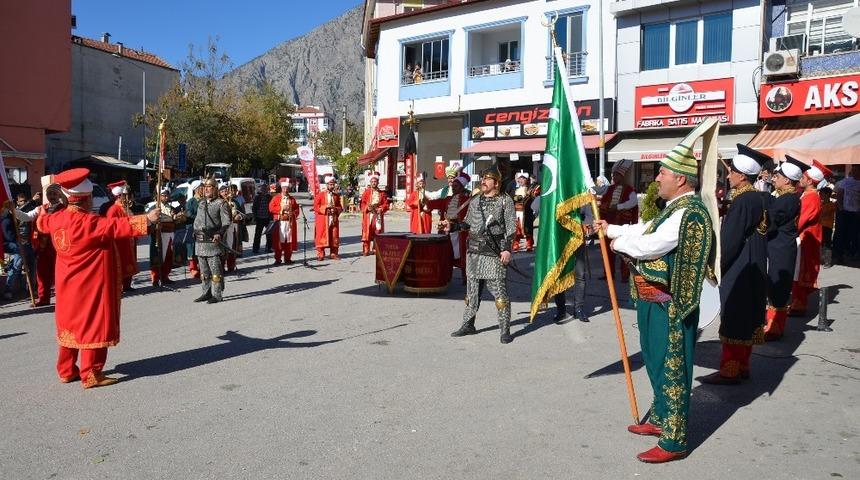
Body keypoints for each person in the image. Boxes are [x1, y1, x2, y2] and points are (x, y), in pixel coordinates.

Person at [594, 129, 716, 463]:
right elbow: (645, 230)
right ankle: (660, 418)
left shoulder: (689, 211)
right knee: (655, 362)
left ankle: (675, 440)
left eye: (662, 172)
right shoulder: (672, 208)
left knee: (673, 369)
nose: (656, 177)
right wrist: (612, 229)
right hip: (653, 300)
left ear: (680, 179)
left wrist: (616, 243)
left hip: (672, 305)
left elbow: (651, 246)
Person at [35, 168, 158, 388]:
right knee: (93, 324)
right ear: (86, 198)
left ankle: (65, 370)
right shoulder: (88, 222)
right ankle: (91, 374)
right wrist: (147, 219)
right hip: (90, 284)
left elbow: (41, 222)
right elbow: (117, 227)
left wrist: (47, 205)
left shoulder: (56, 219)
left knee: (69, 327)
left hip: (66, 284)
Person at [699, 144, 770, 385]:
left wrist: (714, 266)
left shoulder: (743, 201)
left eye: (731, 173)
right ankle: (742, 365)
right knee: (746, 314)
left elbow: (730, 240)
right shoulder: (755, 197)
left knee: (735, 313)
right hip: (754, 263)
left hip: (740, 265)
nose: (728, 176)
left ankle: (730, 369)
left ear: (741, 175)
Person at [443, 164, 517, 344]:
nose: (483, 181)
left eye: (487, 178)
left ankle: (504, 329)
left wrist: (507, 249)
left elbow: (511, 228)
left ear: (496, 182)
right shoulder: (475, 200)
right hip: (474, 251)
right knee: (471, 293)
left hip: (493, 252)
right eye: (482, 178)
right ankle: (468, 324)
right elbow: (467, 223)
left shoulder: (505, 201)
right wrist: (452, 226)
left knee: (500, 295)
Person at [762, 156, 804, 340]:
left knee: (778, 287)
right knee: (775, 285)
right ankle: (772, 324)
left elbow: (772, 219)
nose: (774, 178)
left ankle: (775, 327)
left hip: (781, 248)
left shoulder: (788, 199)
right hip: (780, 246)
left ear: (787, 180)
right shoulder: (786, 197)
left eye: (778, 175)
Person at [790, 160, 832, 316]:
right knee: (798, 272)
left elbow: (801, 220)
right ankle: (797, 302)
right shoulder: (809, 195)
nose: (801, 177)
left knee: (800, 272)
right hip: (806, 237)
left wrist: (790, 230)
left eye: (804, 175)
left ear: (809, 180)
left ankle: (799, 304)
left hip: (806, 238)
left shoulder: (810, 197)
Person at [428, 169, 472, 281]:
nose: (453, 187)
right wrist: (424, 199)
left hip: (460, 231)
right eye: (453, 185)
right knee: (446, 254)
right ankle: (445, 275)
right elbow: (434, 203)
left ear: (462, 186)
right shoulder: (447, 199)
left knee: (463, 254)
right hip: (447, 230)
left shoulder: (468, 200)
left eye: (456, 185)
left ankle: (465, 277)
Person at [553, 204, 594, 323]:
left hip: (577, 237)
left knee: (580, 274)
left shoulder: (579, 190)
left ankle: (579, 309)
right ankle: (561, 309)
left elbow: (588, 215)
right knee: (559, 275)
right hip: (560, 237)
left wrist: (585, 225)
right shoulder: (557, 192)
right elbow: (536, 205)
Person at [193, 178, 231, 304]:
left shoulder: (221, 203)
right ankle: (206, 292)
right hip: (200, 242)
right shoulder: (202, 203)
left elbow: (226, 222)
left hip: (212, 242)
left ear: (215, 189)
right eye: (205, 187)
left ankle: (217, 294)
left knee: (216, 271)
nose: (206, 189)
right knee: (204, 273)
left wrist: (219, 233)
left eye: (210, 187)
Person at [599, 159, 638, 282]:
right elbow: (604, 201)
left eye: (616, 175)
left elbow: (633, 202)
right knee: (607, 250)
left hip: (622, 223)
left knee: (622, 250)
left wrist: (618, 207)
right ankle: (608, 274)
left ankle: (625, 275)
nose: (614, 177)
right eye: (613, 175)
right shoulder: (609, 189)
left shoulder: (629, 190)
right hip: (608, 222)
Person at [105, 181, 139, 293]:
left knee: (130, 261)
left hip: (129, 240)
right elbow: (111, 227)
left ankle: (127, 284)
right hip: (120, 242)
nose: (128, 198)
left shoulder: (126, 208)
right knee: (120, 263)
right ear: (119, 196)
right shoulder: (113, 209)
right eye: (125, 196)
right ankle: (118, 286)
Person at [145, 187, 176, 287]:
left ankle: (165, 276)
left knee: (168, 256)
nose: (166, 197)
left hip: (170, 233)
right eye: (164, 195)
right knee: (157, 256)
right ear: (159, 196)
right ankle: (155, 278)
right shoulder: (153, 207)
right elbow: (149, 221)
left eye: (167, 195)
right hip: (159, 234)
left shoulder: (170, 207)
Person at [268, 178, 299, 265]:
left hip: (289, 223)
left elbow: (297, 210)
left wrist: (292, 214)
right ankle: (277, 259)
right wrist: (281, 209)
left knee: (288, 240)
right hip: (280, 223)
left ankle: (287, 258)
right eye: (284, 188)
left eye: (287, 188)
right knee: (279, 241)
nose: (286, 190)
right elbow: (271, 208)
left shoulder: (292, 199)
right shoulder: (276, 198)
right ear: (281, 189)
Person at [833, 165, 860, 263]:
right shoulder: (846, 181)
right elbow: (840, 194)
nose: (854, 171)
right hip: (844, 212)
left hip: (856, 213)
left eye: (856, 170)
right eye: (853, 169)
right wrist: (841, 208)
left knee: (854, 234)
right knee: (841, 233)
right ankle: (839, 254)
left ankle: (852, 253)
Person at [360, 171, 390, 256]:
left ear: (378, 182)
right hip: (369, 215)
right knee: (367, 231)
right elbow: (362, 203)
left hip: (378, 215)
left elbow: (386, 204)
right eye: (372, 182)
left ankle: (375, 248)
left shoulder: (382, 193)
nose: (374, 183)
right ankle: (366, 249)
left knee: (378, 231)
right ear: (370, 183)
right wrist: (367, 207)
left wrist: (381, 209)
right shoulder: (366, 192)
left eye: (375, 182)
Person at [314, 175, 342, 260]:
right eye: (330, 184)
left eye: (333, 184)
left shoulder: (336, 196)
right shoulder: (320, 195)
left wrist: (336, 210)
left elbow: (340, 207)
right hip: (323, 219)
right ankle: (320, 254)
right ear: (327, 185)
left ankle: (334, 253)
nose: (332, 186)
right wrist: (326, 208)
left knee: (334, 235)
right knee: (322, 235)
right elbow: (316, 207)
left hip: (333, 218)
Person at [510, 170, 538, 251]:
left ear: (527, 180)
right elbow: (511, 198)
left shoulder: (530, 189)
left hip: (526, 212)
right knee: (517, 228)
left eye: (523, 179)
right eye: (520, 179)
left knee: (527, 228)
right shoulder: (514, 189)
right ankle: (516, 244)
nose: (521, 180)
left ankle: (529, 244)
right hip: (516, 211)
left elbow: (534, 197)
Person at [220, 184, 244, 272]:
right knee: (223, 247)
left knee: (232, 246)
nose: (225, 193)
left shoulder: (234, 201)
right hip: (223, 228)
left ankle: (231, 266)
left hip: (233, 227)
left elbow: (241, 213)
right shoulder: (219, 202)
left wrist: (239, 216)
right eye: (222, 191)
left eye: (226, 191)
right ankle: (221, 267)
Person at [185, 181, 203, 278]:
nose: (203, 189)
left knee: (202, 248)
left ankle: (202, 268)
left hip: (203, 229)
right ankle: (193, 268)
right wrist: (200, 217)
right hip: (192, 227)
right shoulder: (191, 202)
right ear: (196, 189)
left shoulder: (205, 201)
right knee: (192, 248)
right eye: (201, 187)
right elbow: (189, 214)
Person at [251, 183, 273, 254]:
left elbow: (271, 207)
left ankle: (269, 248)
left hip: (267, 218)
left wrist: (271, 217)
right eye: (263, 189)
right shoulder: (257, 197)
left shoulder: (269, 197)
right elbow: (254, 208)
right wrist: (255, 217)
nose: (264, 190)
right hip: (259, 218)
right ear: (260, 189)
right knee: (258, 234)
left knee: (269, 234)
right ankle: (255, 249)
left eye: (265, 189)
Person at [820, 186, 836, 268]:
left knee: (827, 244)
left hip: (827, 226)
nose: (820, 195)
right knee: (821, 243)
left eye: (822, 193)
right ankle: (822, 259)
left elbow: (823, 214)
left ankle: (827, 261)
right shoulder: (821, 204)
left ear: (827, 195)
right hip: (820, 226)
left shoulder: (831, 205)